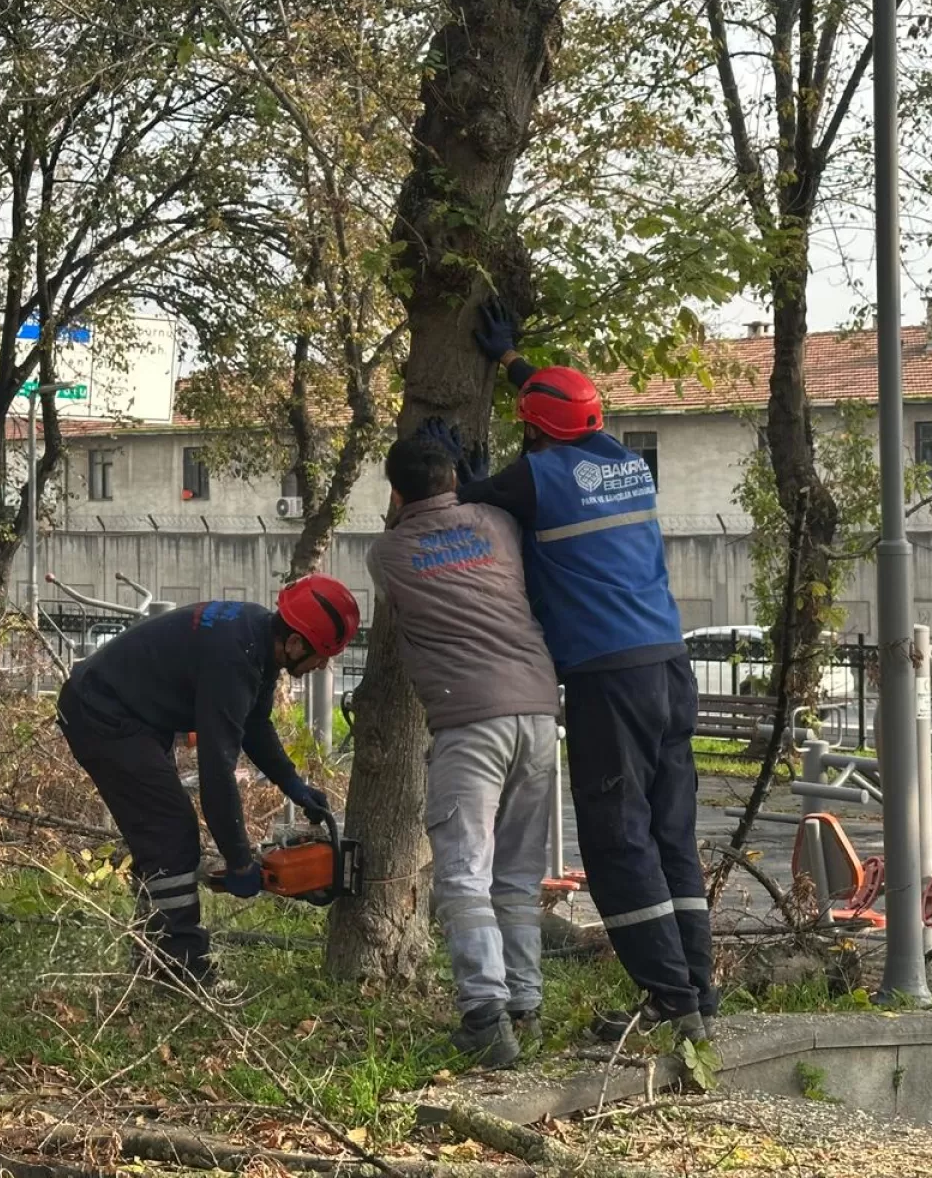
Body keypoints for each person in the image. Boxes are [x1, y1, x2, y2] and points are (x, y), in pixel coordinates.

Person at [455, 300, 713, 1042]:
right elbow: (565, 410)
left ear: (534, 433)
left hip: (608, 679)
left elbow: (467, 498)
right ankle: (697, 992)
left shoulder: (535, 479)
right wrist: (513, 364)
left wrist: (463, 472)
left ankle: (668, 1001)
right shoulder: (627, 463)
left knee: (616, 839)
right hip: (669, 665)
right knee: (672, 836)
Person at [367, 433, 561, 1069]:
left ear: (395, 492)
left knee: (463, 873)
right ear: (454, 475)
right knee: (518, 872)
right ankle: (526, 1006)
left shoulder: (389, 553)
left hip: (468, 719)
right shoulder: (499, 523)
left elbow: (407, 590)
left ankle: (484, 1015)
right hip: (537, 710)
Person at [55, 576, 359, 982]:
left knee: (160, 837)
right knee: (170, 830)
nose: (322, 665)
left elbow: (254, 724)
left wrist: (293, 784)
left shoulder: (256, 636)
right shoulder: (234, 659)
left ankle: (154, 955)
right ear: (296, 642)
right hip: (103, 713)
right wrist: (238, 861)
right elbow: (217, 771)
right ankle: (178, 965)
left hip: (129, 713)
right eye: (321, 654)